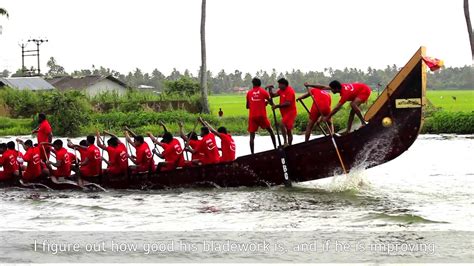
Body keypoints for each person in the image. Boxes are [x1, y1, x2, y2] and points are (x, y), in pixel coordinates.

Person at [246, 77, 277, 154]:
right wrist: (269, 104)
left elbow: (247, 106)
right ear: (260, 84)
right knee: (271, 131)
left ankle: (252, 154)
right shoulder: (263, 92)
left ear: (253, 84)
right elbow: (271, 102)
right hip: (261, 115)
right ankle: (275, 148)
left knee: (252, 136)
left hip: (252, 116)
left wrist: (260, 103)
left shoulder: (249, 93)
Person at [268, 78, 297, 146]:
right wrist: (270, 89)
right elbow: (273, 95)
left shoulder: (290, 91)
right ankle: (289, 145)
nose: (278, 86)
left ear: (284, 84)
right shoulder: (281, 90)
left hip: (291, 112)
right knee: (289, 130)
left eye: (280, 85)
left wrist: (277, 106)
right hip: (284, 113)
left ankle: (285, 142)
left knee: (282, 124)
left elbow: (288, 103)